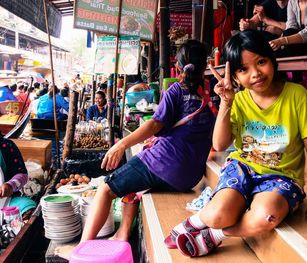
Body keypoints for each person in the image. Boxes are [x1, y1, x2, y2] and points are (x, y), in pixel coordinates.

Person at [165, 30, 307, 257]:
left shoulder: (297, 96)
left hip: (282, 177)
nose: (255, 73)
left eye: (261, 62)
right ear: (235, 77)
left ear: (272, 59)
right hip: (243, 168)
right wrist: (226, 104)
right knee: (217, 214)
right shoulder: (239, 100)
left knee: (266, 216)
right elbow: (219, 144)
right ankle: (197, 221)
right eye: (243, 69)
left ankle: (214, 235)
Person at [55, 39, 219, 260]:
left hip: (164, 164)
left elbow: (154, 124)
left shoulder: (176, 91)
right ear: (205, 65)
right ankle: (122, 234)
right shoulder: (211, 94)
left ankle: (81, 250)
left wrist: (121, 144)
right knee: (134, 185)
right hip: (189, 177)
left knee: (105, 188)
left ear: (178, 67)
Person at [0, 135, 28, 206]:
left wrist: (10, 185)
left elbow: (22, 175)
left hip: (8, 199)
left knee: (27, 204)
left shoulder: (6, 146)